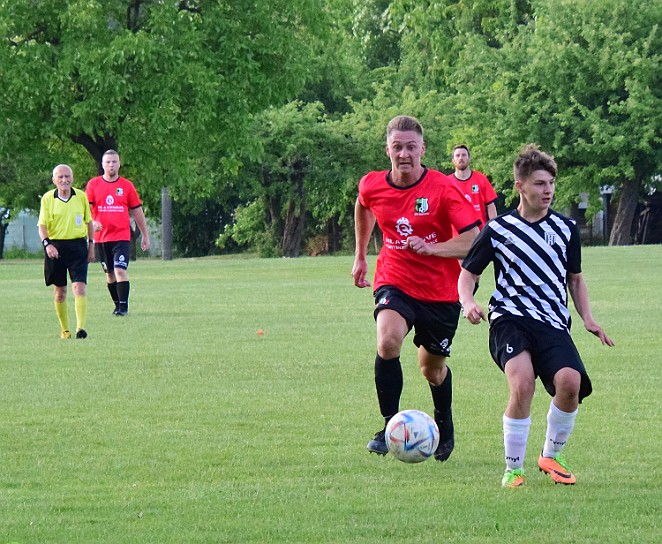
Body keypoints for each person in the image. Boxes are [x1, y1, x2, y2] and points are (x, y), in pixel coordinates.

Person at [458, 144, 614, 488]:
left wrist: (588, 318)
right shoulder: (498, 230)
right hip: (508, 319)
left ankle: (550, 454)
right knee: (523, 382)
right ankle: (513, 467)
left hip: (552, 321)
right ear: (520, 187)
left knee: (570, 384)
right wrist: (468, 302)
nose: (548, 191)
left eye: (551, 184)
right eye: (540, 183)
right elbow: (468, 274)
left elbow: (575, 277)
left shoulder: (565, 229)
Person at [352, 115, 480, 462]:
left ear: (423, 149)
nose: (404, 154)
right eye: (398, 147)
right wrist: (361, 255)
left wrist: (434, 248)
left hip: (441, 291)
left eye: (411, 147)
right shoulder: (373, 184)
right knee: (388, 340)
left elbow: (474, 239)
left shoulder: (443, 188)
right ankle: (388, 425)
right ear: (387, 150)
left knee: (432, 369)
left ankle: (444, 423)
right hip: (395, 278)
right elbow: (363, 204)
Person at [86, 149, 150, 316]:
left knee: (120, 269)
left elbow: (137, 211)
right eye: (108, 162)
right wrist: (92, 223)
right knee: (109, 274)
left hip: (121, 236)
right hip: (101, 238)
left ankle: (124, 307)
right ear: (102, 165)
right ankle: (117, 305)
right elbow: (84, 210)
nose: (111, 165)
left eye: (114, 161)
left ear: (119, 163)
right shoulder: (93, 185)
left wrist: (145, 235)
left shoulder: (126, 186)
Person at [38, 164, 95, 339]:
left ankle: (80, 328)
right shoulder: (48, 198)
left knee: (79, 287)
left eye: (67, 176)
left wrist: (91, 245)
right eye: (60, 177)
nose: (64, 180)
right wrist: (48, 245)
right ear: (54, 180)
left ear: (72, 178)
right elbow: (42, 225)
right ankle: (65, 330)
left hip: (77, 247)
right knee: (60, 291)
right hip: (56, 248)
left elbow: (89, 222)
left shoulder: (81, 197)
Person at [451, 144, 498, 227]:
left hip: (480, 233)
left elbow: (491, 206)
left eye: (464, 155)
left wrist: (493, 227)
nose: (461, 158)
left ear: (469, 158)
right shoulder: (448, 183)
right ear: (453, 160)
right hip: (457, 237)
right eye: (457, 155)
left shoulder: (481, 178)